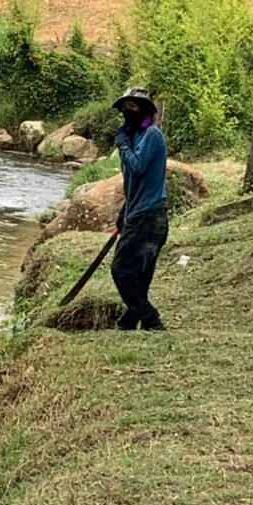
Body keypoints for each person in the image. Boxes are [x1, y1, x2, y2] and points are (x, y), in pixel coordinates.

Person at [110, 87, 168, 331]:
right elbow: (134, 183)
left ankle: (151, 319)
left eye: (132, 107)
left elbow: (138, 166)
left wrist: (122, 145)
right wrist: (124, 211)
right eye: (124, 107)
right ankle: (129, 321)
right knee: (139, 274)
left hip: (149, 216)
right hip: (139, 213)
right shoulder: (135, 137)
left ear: (143, 110)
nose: (126, 111)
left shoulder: (152, 135)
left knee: (121, 270)